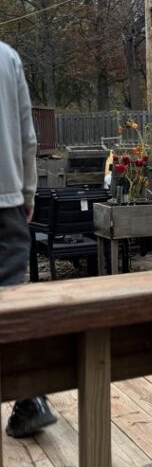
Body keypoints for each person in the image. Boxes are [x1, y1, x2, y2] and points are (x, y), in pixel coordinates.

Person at [0, 39, 57, 437]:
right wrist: (28, 193)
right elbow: (26, 136)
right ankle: (31, 399)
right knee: (9, 304)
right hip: (6, 203)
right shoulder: (6, 57)